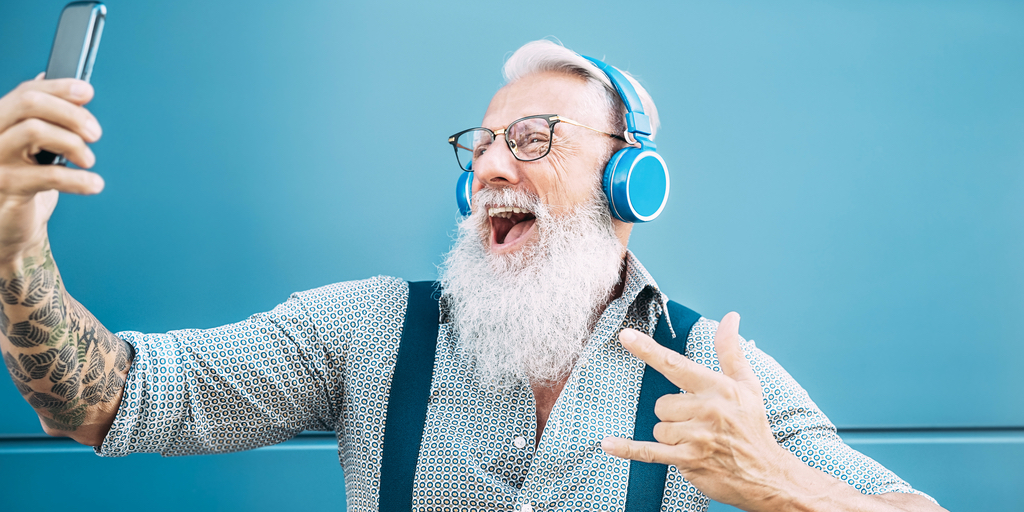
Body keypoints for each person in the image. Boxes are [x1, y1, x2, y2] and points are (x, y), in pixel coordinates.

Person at [0, 40, 946, 512]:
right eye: (482, 143)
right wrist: (13, 246)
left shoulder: (715, 374)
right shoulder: (367, 333)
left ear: (631, 181)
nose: (491, 164)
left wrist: (779, 480)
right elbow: (109, 401)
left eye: (533, 138)